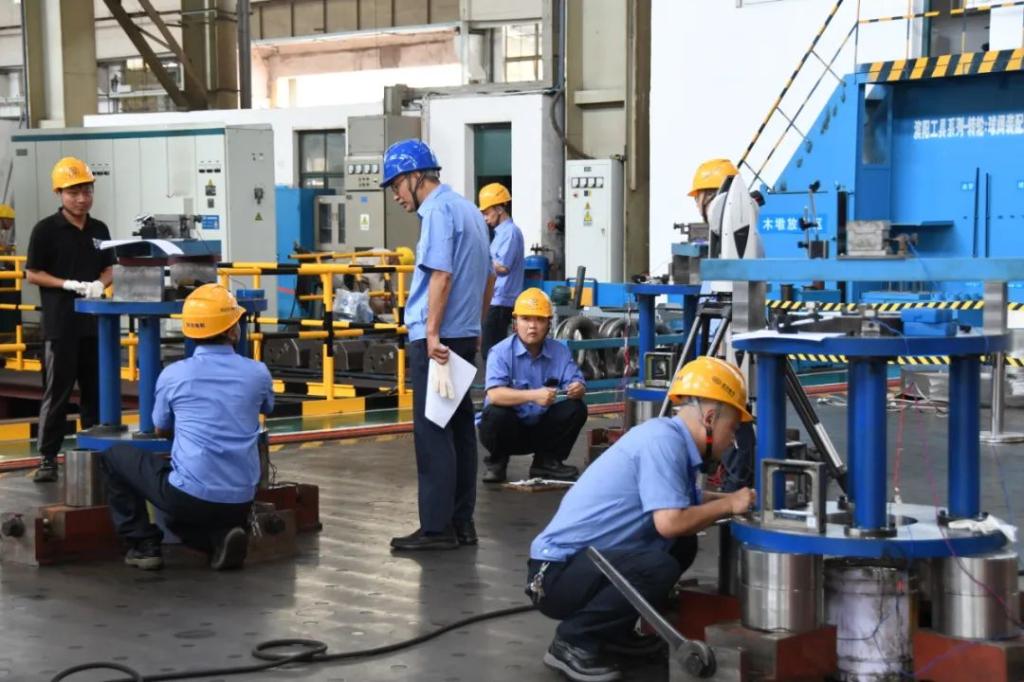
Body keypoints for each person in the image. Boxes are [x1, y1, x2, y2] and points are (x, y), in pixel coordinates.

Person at [527, 357, 756, 682]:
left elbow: (684, 503)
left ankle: (613, 635)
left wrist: (734, 501)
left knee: (682, 545)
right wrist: (730, 504)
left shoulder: (671, 440)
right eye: (731, 429)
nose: (731, 441)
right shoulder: (664, 443)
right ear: (709, 418)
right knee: (659, 564)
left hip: (584, 565)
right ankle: (574, 641)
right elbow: (670, 522)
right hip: (555, 575)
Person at [98, 284, 274, 571]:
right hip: (242, 497)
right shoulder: (258, 372)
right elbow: (267, 407)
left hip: (189, 498)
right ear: (233, 331)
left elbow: (160, 428)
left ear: (190, 332)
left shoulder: (174, 375)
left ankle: (142, 546)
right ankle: (221, 539)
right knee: (179, 517)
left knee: (114, 456)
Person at [380, 139, 495, 551]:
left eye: (397, 185)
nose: (395, 195)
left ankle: (436, 528)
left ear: (416, 177)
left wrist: (430, 334)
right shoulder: (469, 210)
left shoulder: (438, 212)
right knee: (460, 429)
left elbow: (441, 275)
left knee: (433, 433)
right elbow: (490, 276)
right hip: (462, 335)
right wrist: (477, 326)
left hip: (439, 341)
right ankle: (462, 524)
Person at [26, 158, 115, 483]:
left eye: (86, 191)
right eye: (74, 193)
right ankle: (48, 458)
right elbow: (32, 273)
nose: (81, 199)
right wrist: (66, 284)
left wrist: (99, 284)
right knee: (58, 393)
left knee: (95, 392)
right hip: (60, 325)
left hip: (94, 324)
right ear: (60, 194)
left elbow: (109, 267)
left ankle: (96, 455)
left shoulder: (99, 229)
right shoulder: (45, 230)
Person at [478, 288, 586, 484]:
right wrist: (534, 395)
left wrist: (578, 388)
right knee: (495, 413)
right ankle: (497, 463)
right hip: (509, 429)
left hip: (542, 428)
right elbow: (494, 395)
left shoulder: (560, 352)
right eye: (525, 319)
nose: (532, 326)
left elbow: (576, 381)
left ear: (549, 324)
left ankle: (546, 462)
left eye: (539, 320)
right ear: (515, 322)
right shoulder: (500, 352)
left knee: (576, 408)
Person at [477, 183, 524, 362]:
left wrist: (478, 260)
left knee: (491, 352)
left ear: (499, 209)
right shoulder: (499, 235)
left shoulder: (510, 233)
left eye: (487, 213)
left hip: (501, 302)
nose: (485, 218)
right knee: (490, 351)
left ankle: (497, 380)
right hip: (494, 300)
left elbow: (503, 268)